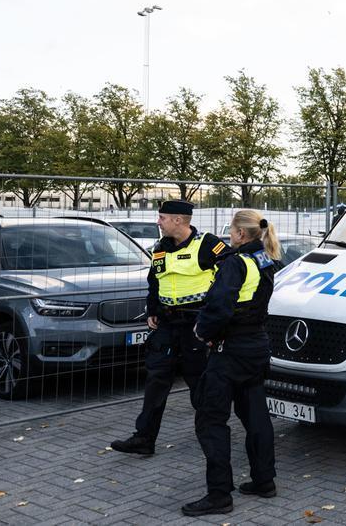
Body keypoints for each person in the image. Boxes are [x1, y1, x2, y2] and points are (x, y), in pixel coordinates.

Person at [181, 209, 280, 516]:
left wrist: (203, 332)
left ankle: (219, 495)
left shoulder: (235, 263)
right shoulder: (267, 260)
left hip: (231, 351)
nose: (228, 237)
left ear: (239, 234)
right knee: (256, 416)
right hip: (257, 347)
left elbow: (220, 306)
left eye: (231, 232)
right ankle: (264, 481)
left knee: (210, 420)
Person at [111, 200, 228, 456]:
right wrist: (152, 309)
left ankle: (212, 438)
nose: (158, 222)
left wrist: (213, 316)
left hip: (196, 325)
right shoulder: (160, 248)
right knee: (155, 379)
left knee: (200, 383)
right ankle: (144, 438)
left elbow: (229, 278)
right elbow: (154, 280)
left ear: (178, 220)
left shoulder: (207, 244)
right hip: (166, 324)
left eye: (162, 217)